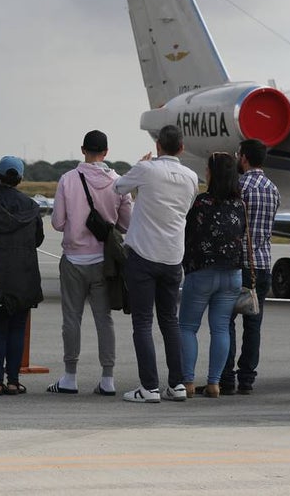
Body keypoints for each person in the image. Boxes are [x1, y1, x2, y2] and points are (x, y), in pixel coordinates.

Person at [113, 124, 198, 403]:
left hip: (144, 255)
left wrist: (141, 164)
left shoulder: (147, 170)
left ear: (158, 145)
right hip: (173, 256)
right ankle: (177, 384)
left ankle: (148, 386)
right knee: (170, 322)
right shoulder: (191, 176)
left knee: (142, 322)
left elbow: (118, 187)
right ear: (182, 148)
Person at [47, 130, 132, 396]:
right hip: (104, 261)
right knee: (103, 319)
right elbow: (127, 224)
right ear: (106, 152)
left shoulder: (68, 179)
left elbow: (58, 223)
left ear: (83, 149)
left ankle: (70, 376)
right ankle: (107, 378)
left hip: (73, 258)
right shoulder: (118, 182)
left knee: (71, 319)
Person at [178, 152, 244, 399]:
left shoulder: (202, 203)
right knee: (220, 329)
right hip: (232, 274)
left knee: (187, 327)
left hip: (202, 272)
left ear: (212, 173)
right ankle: (214, 382)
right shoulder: (240, 204)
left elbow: (189, 232)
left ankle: (188, 381)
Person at [220, 138, 279, 395]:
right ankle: (247, 377)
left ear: (243, 157)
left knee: (227, 321)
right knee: (254, 323)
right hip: (263, 263)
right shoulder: (272, 188)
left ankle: (226, 375)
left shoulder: (239, 186)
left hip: (238, 263)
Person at [0, 155, 45, 396]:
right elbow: (38, 239)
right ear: (20, 178)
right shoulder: (32, 207)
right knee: (17, 328)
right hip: (25, 274)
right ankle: (13, 380)